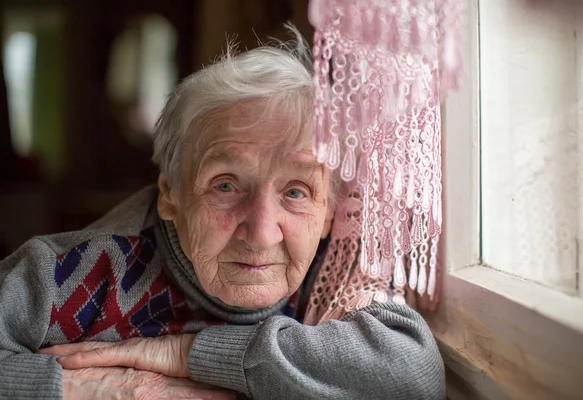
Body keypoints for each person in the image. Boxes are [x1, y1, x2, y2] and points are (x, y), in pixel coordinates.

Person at [0, 30, 445, 400]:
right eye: (226, 185)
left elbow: (414, 375)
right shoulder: (67, 274)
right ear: (170, 192)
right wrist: (90, 388)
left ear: (329, 210)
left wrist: (186, 354)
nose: (262, 232)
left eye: (296, 191)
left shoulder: (333, 270)